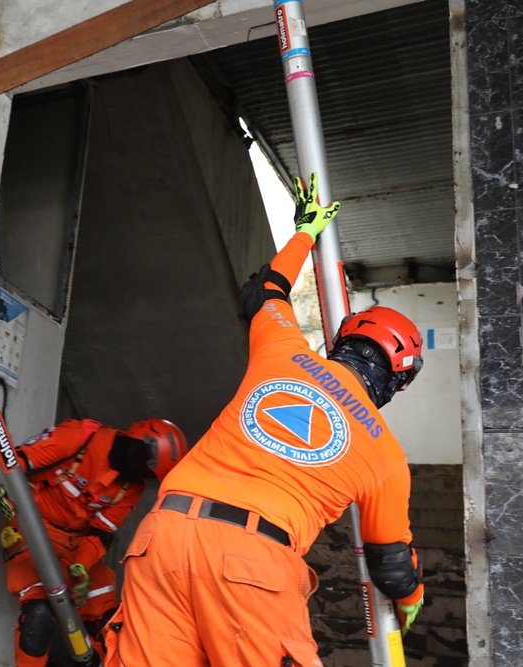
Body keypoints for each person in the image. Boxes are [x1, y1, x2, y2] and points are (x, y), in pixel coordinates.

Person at [103, 173, 426, 667]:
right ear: (397, 381)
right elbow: (392, 565)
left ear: (342, 342)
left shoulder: (283, 351)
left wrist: (305, 232)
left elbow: (264, 290)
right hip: (251, 560)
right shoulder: (385, 454)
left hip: (161, 537)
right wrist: (410, 600)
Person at [1, 418, 187, 666]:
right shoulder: (78, 437)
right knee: (40, 614)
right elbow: (18, 462)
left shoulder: (131, 487)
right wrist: (13, 492)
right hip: (33, 530)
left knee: (109, 620)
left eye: (148, 474)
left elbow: (102, 531)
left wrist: (82, 567)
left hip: (78, 545)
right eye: (144, 467)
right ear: (140, 442)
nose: (141, 476)